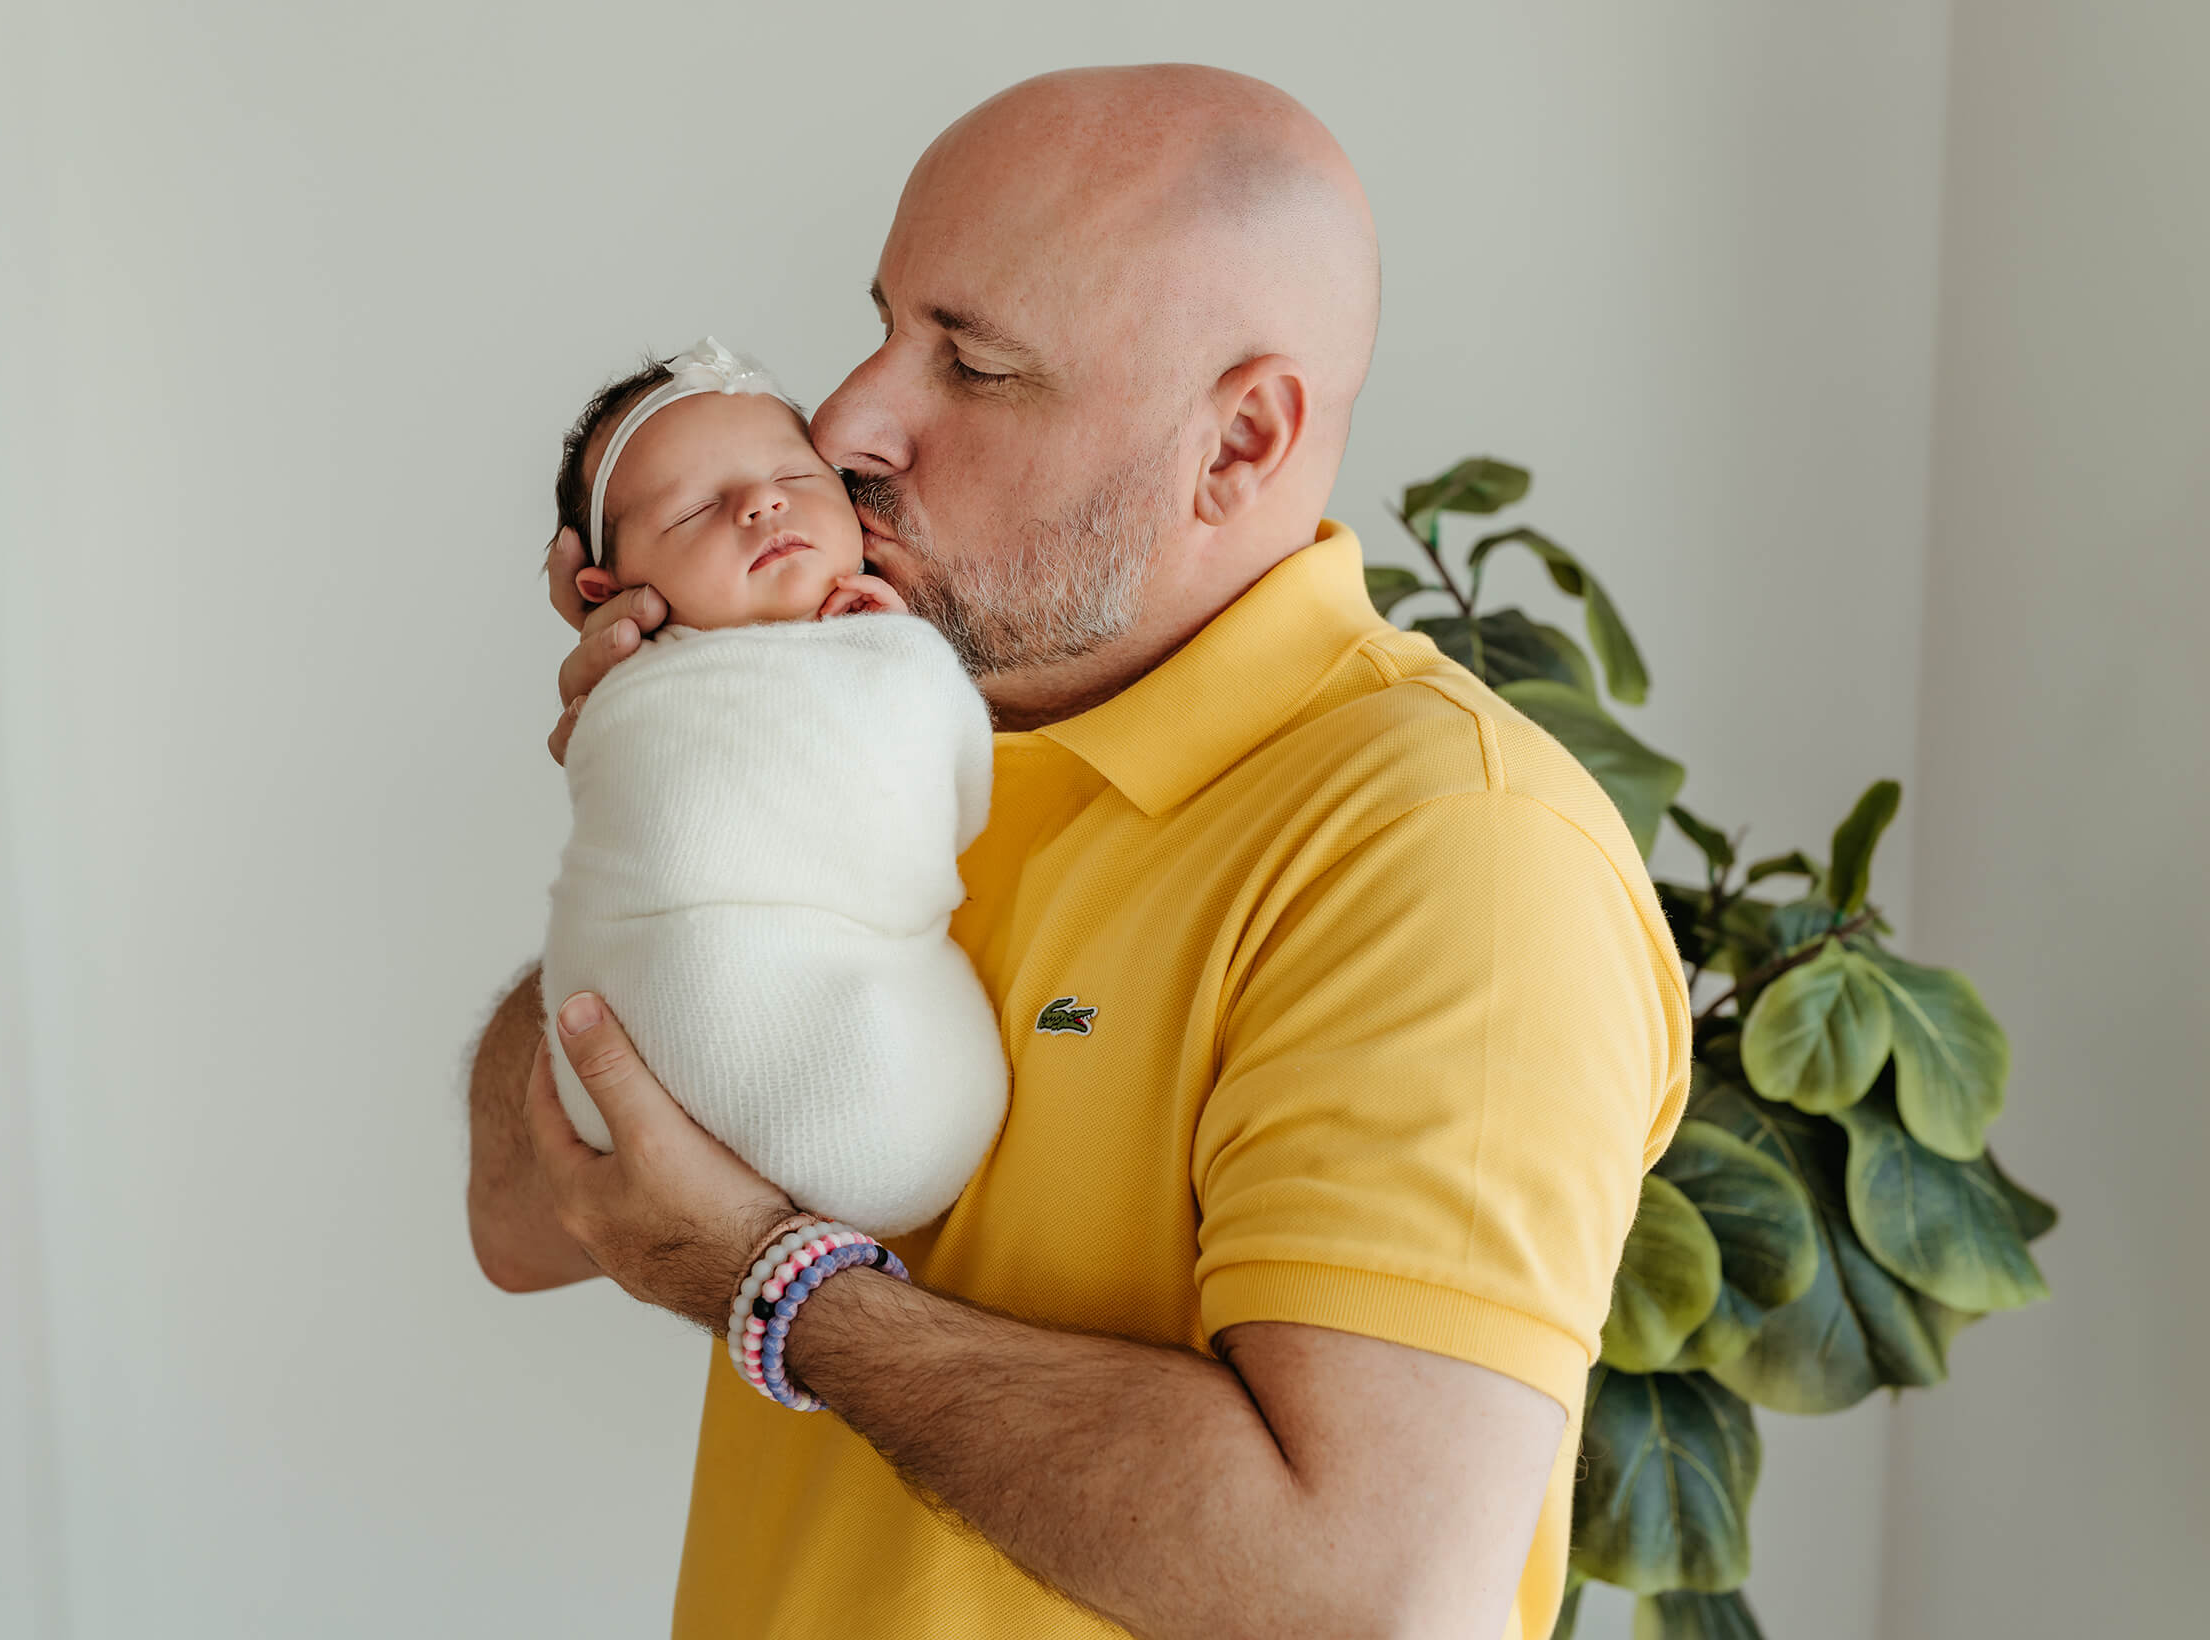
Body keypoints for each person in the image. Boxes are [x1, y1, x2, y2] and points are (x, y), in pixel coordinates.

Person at [468, 63, 1690, 1640]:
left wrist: (788, 1296)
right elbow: (525, 1215)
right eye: (887, 320)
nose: (844, 419)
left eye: (969, 365)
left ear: (1238, 442)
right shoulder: (910, 731)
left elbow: (1370, 1592)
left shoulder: (1456, 855)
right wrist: (653, 829)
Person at [538, 337, 1005, 1237]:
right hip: (658, 1021)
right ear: (609, 594)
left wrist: (895, 652)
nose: (764, 502)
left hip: (623, 1092)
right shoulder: (624, 692)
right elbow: (958, 798)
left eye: (797, 474)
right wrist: (907, 658)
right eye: (697, 511)